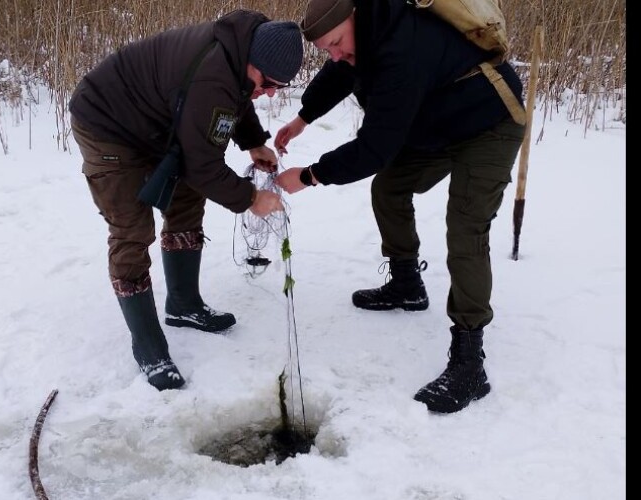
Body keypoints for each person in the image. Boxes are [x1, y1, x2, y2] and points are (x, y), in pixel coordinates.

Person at [274, 0, 525, 413]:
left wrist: (309, 176)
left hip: (489, 122)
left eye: (336, 42)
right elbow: (340, 71)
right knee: (389, 188)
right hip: (439, 123)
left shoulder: (400, 48)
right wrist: (302, 118)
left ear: (354, 15)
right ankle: (407, 284)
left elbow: (375, 147)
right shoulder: (365, 35)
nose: (334, 53)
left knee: (465, 227)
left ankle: (469, 360)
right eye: (327, 48)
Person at [69, 10, 304, 391]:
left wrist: (253, 141)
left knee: (187, 198)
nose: (272, 92)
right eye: (270, 82)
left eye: (280, 86)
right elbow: (202, 163)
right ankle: (148, 346)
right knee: (132, 228)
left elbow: (238, 97)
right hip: (107, 124)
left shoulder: (241, 50)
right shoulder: (215, 73)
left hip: (157, 123)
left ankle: (183, 305)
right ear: (252, 62)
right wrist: (249, 199)